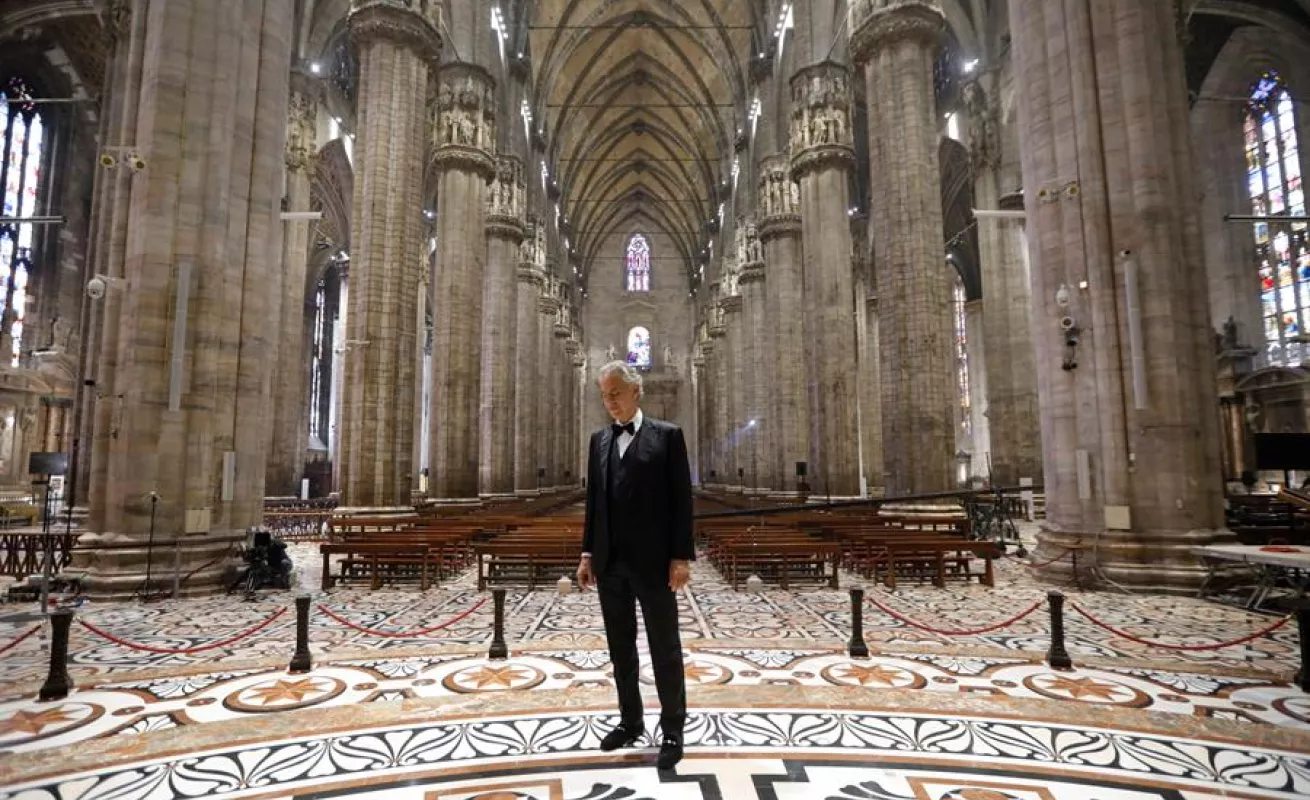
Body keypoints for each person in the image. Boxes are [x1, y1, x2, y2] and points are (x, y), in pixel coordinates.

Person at [577, 360, 694, 770]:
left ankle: (674, 728)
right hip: (611, 565)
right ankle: (630, 720)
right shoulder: (599, 441)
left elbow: (681, 503)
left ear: (635, 392)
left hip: (654, 562)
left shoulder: (667, 437)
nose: (609, 402)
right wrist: (588, 554)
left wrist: (680, 557)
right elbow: (595, 503)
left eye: (615, 393)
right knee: (620, 648)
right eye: (604, 395)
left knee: (665, 647)